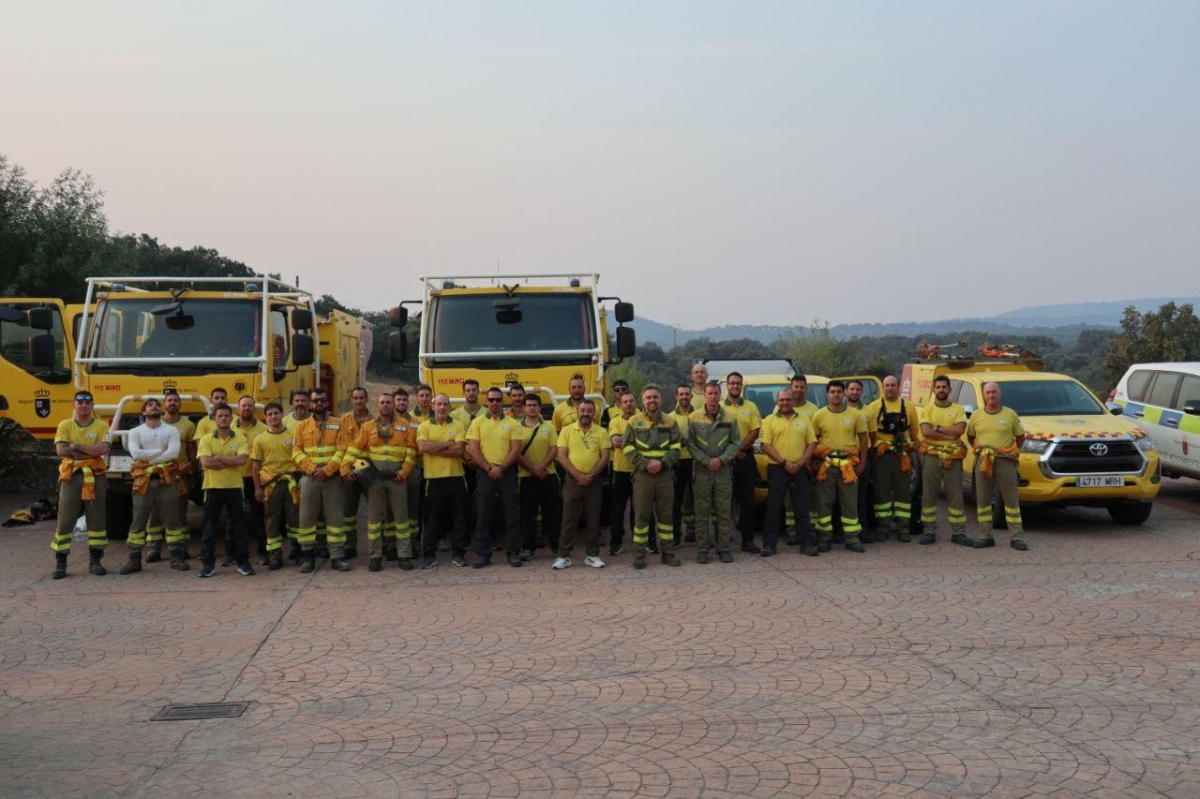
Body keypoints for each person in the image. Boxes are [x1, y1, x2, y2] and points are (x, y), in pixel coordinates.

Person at [344, 392, 418, 571]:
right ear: (377, 406)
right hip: (375, 481)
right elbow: (354, 448)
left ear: (393, 405)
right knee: (374, 520)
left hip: (396, 479)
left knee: (401, 519)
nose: (385, 405)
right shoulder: (368, 427)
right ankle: (375, 556)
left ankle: (404, 555)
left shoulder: (405, 425)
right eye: (382, 402)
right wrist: (346, 467)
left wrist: (404, 472)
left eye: (388, 402)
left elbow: (411, 451)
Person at [118, 398, 183, 574]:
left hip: (166, 480)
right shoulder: (134, 432)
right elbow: (135, 453)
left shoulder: (172, 430)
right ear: (144, 412)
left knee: (172, 518)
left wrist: (148, 458)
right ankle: (134, 560)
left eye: (156, 405)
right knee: (138, 519)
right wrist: (160, 453)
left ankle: (176, 557)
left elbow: (174, 454)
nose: (154, 407)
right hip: (143, 481)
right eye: (149, 405)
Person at [50, 390, 111, 579]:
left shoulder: (101, 425)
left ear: (92, 405)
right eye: (80, 402)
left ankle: (96, 561)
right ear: (74, 405)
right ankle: (61, 563)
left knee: (96, 519)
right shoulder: (65, 425)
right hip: (71, 477)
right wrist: (88, 452)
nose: (83, 405)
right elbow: (61, 450)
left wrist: (77, 447)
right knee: (66, 519)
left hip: (95, 477)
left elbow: (103, 449)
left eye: (87, 402)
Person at [625, 384, 683, 569]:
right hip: (643, 477)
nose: (652, 400)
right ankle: (639, 556)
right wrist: (645, 464)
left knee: (666, 517)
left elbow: (676, 448)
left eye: (655, 397)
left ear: (660, 399)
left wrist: (662, 463)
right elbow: (628, 447)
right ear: (642, 400)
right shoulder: (633, 421)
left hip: (665, 475)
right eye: (648, 397)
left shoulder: (670, 422)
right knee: (641, 517)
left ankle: (668, 554)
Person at [293, 388, 351, 573]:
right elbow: (296, 451)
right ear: (310, 404)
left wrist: (327, 470)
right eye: (316, 400)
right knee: (306, 519)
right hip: (309, 479)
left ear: (327, 403)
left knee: (335, 518)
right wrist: (313, 469)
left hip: (332, 479)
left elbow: (343, 449)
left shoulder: (338, 423)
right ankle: (308, 558)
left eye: (322, 400)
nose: (319, 403)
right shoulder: (301, 427)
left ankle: (337, 557)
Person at [966, 382, 1028, 550]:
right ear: (984, 395)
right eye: (988, 393)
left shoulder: (1010, 414)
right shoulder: (976, 416)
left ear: (999, 394)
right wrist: (984, 451)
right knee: (983, 499)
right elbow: (971, 437)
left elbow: (1020, 437)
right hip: (983, 461)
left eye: (994, 392)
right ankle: (985, 536)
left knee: (1011, 499)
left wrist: (1010, 451)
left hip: (1005, 461)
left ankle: (1016, 538)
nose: (991, 395)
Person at [467, 387, 523, 568]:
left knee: (512, 514)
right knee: (483, 515)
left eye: (498, 400)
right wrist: (488, 467)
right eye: (491, 400)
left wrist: (502, 467)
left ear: (503, 402)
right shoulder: (477, 423)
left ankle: (513, 553)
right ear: (486, 402)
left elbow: (516, 449)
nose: (494, 403)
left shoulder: (513, 424)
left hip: (507, 473)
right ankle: (483, 554)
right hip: (485, 473)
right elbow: (473, 448)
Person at [811, 380, 869, 553]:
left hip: (848, 467)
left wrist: (863, 463)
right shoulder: (819, 416)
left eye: (839, 391)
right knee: (824, 503)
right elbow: (813, 442)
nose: (836, 394)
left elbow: (864, 440)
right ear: (827, 394)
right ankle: (824, 538)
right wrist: (813, 464)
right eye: (832, 392)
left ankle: (852, 538)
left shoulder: (855, 415)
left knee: (850, 503)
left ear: (844, 393)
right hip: (827, 466)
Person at [554, 398, 611, 569]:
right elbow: (561, 456)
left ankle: (592, 555)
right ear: (577, 412)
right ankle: (563, 556)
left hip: (593, 481)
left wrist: (591, 475)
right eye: (582, 410)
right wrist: (577, 475)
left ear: (594, 413)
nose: (585, 413)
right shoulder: (566, 431)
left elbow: (605, 457)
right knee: (568, 519)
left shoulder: (601, 432)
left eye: (589, 411)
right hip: (572, 481)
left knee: (593, 519)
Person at [760, 389, 818, 556]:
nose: (785, 403)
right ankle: (769, 545)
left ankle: (805, 543)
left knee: (802, 508)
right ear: (777, 402)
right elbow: (765, 445)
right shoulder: (769, 420)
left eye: (788, 399)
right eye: (782, 400)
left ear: (794, 401)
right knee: (773, 508)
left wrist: (799, 463)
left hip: (799, 469)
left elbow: (812, 444)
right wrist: (784, 463)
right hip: (777, 469)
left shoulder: (805, 420)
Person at [197, 403, 252, 577]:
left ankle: (243, 563)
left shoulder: (240, 437)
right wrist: (230, 460)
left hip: (235, 488)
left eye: (227, 416)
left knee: (239, 528)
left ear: (231, 418)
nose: (223, 418)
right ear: (214, 418)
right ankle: (208, 565)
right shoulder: (206, 439)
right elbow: (206, 463)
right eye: (220, 416)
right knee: (209, 528)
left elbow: (242, 461)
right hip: (212, 488)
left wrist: (219, 458)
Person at [687, 381, 740, 563]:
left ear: (720, 395)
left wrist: (722, 460)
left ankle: (724, 549)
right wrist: (705, 460)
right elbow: (690, 444)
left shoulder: (730, 418)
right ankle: (702, 550)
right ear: (705, 395)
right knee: (701, 513)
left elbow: (735, 443)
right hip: (702, 471)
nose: (712, 396)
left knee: (724, 512)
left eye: (716, 393)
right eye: (709, 393)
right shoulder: (693, 418)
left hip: (723, 471)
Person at [416, 393, 470, 569]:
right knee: (431, 519)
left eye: (445, 404)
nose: (442, 407)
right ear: (433, 406)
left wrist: (434, 448)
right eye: (438, 404)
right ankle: (429, 556)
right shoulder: (424, 426)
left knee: (459, 518)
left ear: (449, 407)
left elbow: (459, 450)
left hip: (456, 477)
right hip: (433, 479)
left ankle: (459, 554)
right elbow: (422, 447)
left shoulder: (458, 425)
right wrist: (447, 444)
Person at [917, 376, 970, 546]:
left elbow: (960, 429)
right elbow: (926, 432)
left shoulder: (958, 409)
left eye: (944, 387)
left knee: (955, 494)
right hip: (932, 457)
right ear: (933, 390)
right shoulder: (927, 410)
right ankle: (929, 531)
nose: (941, 390)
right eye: (938, 387)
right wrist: (949, 433)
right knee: (929, 494)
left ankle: (959, 532)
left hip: (953, 458)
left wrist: (938, 429)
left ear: (949, 390)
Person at [145, 388, 196, 563]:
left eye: (175, 400)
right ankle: (153, 549)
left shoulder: (188, 426)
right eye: (169, 400)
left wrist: (192, 472)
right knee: (155, 512)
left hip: (179, 475)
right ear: (164, 405)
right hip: (156, 474)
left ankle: (181, 548)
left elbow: (191, 451)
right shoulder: (154, 425)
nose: (172, 403)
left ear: (179, 404)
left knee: (180, 512)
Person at [867, 375, 920, 542]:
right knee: (881, 492)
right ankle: (883, 527)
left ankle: (903, 528)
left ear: (898, 387)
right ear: (883, 388)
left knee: (903, 492)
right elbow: (870, 434)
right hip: (882, 456)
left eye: (893, 385)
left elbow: (915, 433)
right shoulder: (873, 407)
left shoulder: (909, 407)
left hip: (902, 456)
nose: (890, 388)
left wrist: (918, 457)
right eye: (887, 385)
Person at [252, 402, 299, 570]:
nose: (273, 417)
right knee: (272, 520)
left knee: (294, 519)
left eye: (276, 413)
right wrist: (258, 488)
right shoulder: (260, 439)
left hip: (291, 483)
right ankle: (275, 556)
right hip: (271, 486)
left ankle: (297, 551)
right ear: (266, 418)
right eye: (270, 414)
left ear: (282, 414)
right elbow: (256, 466)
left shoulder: (294, 435)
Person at [517, 393, 561, 559]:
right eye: (528, 405)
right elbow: (515, 452)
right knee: (528, 513)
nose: (532, 408)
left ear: (540, 408)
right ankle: (528, 548)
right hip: (526, 476)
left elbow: (554, 449)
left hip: (548, 475)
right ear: (523, 408)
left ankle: (556, 546)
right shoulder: (517, 427)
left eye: (535, 405)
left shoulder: (548, 426)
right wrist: (532, 469)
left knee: (553, 513)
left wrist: (541, 467)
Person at [722, 372, 761, 554]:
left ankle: (748, 540)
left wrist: (740, 449)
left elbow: (755, 431)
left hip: (746, 458)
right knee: (723, 501)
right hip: (725, 459)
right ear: (727, 386)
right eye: (732, 383)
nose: (735, 386)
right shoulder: (720, 407)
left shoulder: (751, 407)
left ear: (742, 385)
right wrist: (733, 451)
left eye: (738, 383)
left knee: (747, 502)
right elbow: (718, 434)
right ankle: (724, 540)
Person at [340, 386, 373, 560]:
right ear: (351, 400)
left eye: (362, 398)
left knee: (375, 509)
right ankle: (349, 546)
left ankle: (376, 546)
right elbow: (341, 446)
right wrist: (347, 468)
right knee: (348, 511)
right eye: (356, 398)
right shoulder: (344, 420)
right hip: (349, 469)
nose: (359, 401)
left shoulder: (375, 420)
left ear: (367, 399)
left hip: (369, 469)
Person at [607, 389, 639, 557]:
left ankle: (641, 541)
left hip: (640, 470)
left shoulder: (642, 418)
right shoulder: (615, 421)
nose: (628, 404)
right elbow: (616, 441)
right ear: (620, 405)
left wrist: (625, 438)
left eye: (631, 401)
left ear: (636, 402)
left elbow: (622, 440)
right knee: (618, 510)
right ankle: (616, 543)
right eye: (625, 402)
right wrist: (636, 440)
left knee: (639, 508)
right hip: (620, 471)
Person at [235, 395, 265, 566]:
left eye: (250, 405)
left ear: (254, 408)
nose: (246, 408)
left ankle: (263, 553)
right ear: (238, 409)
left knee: (259, 518)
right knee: (235, 519)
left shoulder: (263, 429)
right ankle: (234, 554)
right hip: (235, 480)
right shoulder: (229, 428)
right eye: (243, 405)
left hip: (256, 480)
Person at [670, 384, 696, 543]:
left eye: (687, 394)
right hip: (677, 463)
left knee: (697, 500)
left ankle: (695, 531)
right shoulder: (670, 417)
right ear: (676, 397)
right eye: (681, 394)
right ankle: (675, 536)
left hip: (696, 462)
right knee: (676, 501)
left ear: (691, 396)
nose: (684, 397)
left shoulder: (700, 415)